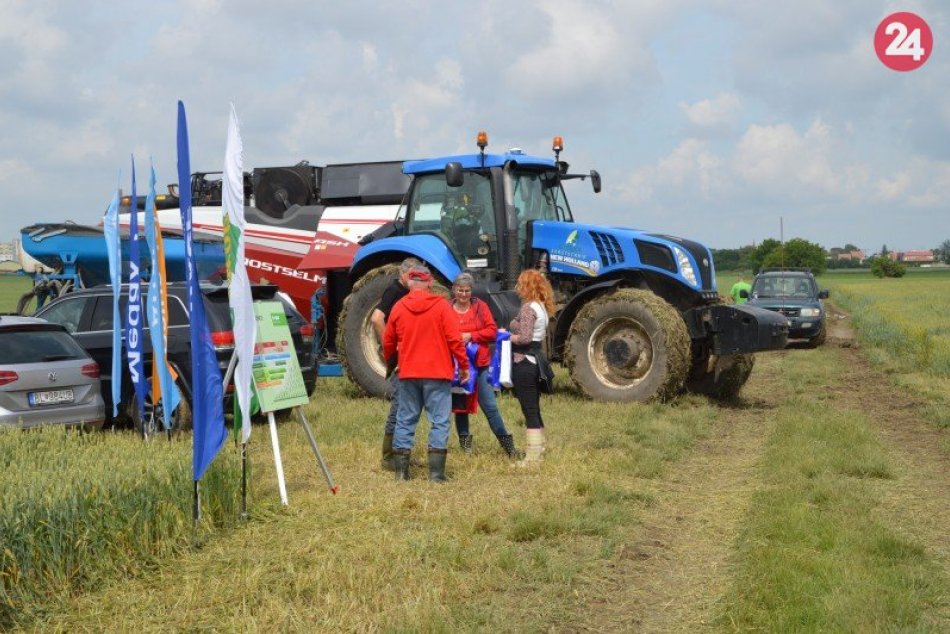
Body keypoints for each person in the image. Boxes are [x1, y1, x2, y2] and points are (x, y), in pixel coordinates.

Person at [383, 265, 470, 482]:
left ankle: (401, 474)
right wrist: (464, 366)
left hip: (409, 372)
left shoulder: (399, 307)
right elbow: (454, 339)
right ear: (430, 283)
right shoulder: (441, 306)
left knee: (405, 419)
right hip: (437, 372)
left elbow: (388, 340)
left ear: (410, 283)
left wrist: (391, 362)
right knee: (440, 421)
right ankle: (436, 475)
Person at [450, 272, 522, 458]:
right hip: (456, 367)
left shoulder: (480, 307)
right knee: (460, 408)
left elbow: (491, 330)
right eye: (460, 290)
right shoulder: (447, 308)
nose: (463, 295)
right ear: (454, 290)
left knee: (490, 406)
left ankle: (509, 449)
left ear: (471, 291)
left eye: (467, 291)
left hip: (480, 364)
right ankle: (466, 449)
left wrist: (470, 336)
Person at [372, 257, 422, 471]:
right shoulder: (394, 290)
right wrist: (389, 346)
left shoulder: (408, 292)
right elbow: (376, 318)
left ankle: (399, 452)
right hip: (399, 356)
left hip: (411, 354)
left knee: (407, 405)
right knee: (399, 405)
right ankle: (388, 456)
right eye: (413, 276)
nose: (415, 280)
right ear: (403, 274)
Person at [508, 268, 555, 466]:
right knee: (533, 407)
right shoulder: (541, 307)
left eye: (520, 283)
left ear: (527, 286)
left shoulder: (528, 308)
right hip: (537, 359)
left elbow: (525, 337)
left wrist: (507, 336)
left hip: (524, 361)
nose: (518, 287)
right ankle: (539, 447)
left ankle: (533, 457)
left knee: (529, 409)